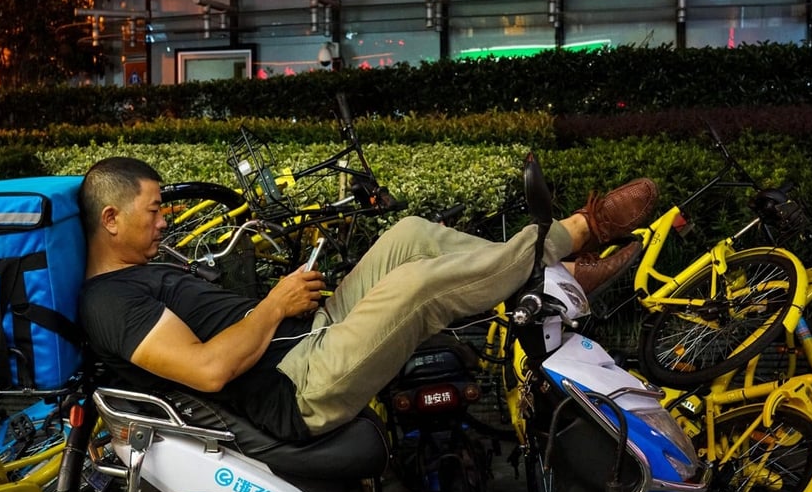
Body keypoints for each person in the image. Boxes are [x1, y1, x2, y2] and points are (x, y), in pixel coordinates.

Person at [79, 156, 657, 442]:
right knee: (417, 287)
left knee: (409, 235)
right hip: (297, 387)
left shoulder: (146, 270)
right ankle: (576, 234)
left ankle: (547, 272)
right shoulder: (110, 302)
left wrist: (282, 308)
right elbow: (207, 370)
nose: (165, 220)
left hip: (305, 338)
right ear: (111, 218)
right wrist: (275, 305)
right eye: (154, 209)